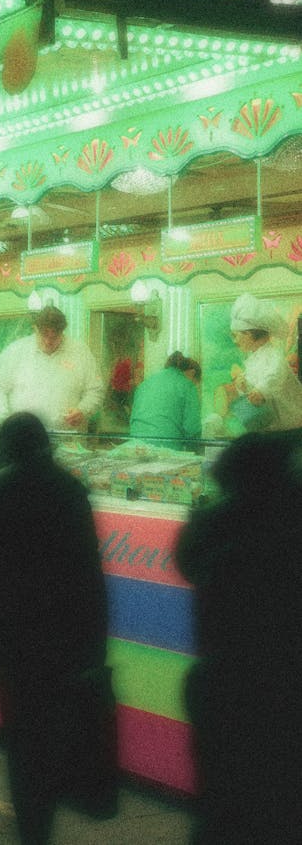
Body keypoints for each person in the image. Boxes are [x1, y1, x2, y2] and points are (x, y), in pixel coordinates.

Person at [0, 412, 113, 844]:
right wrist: (95, 641)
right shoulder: (71, 490)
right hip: (66, 634)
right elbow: (89, 572)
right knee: (53, 730)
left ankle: (31, 825)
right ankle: (43, 819)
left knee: (22, 735)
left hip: (12, 635)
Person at [176, 431, 302, 843]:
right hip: (284, 683)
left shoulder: (216, 521)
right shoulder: (288, 518)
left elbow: (186, 560)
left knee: (221, 798)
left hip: (222, 680)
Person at [0, 305, 104, 430]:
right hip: (22, 435)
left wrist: (83, 410)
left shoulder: (80, 352)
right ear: (35, 329)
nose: (48, 341)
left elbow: (95, 390)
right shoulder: (16, 351)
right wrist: (5, 419)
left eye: (54, 336)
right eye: (44, 335)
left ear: (62, 332)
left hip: (64, 437)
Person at [228, 293, 302, 430]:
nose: (235, 341)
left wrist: (260, 391)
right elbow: (255, 398)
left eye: (236, 336)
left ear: (249, 334)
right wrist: (244, 387)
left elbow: (273, 378)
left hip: (289, 430)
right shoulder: (253, 359)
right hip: (270, 430)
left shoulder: (274, 355)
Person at [128, 351, 202, 446]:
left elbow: (134, 420)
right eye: (195, 383)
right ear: (192, 373)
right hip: (166, 449)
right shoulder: (187, 385)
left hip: (136, 446)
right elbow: (192, 429)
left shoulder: (145, 383)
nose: (194, 385)